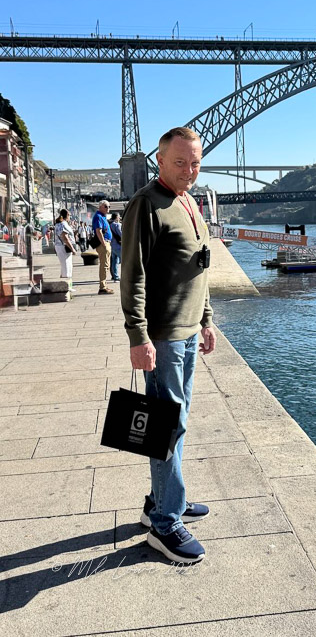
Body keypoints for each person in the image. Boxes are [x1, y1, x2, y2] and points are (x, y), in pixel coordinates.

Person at [121, 126, 216, 565]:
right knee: (165, 426)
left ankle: (160, 502)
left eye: (195, 162)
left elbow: (199, 263)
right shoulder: (146, 203)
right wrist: (138, 336)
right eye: (180, 162)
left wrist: (208, 320)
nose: (189, 170)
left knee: (172, 422)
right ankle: (164, 524)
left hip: (188, 332)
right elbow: (133, 275)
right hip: (162, 336)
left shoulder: (188, 201)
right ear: (160, 160)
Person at [92, 200, 113, 294]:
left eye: (109, 206)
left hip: (107, 243)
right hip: (103, 244)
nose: (108, 208)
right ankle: (102, 287)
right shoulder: (98, 216)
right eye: (106, 206)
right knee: (104, 265)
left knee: (106, 265)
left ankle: (104, 285)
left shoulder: (102, 216)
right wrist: (104, 243)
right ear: (100, 207)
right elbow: (98, 231)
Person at [54, 209, 77, 290]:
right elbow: (65, 238)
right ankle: (66, 287)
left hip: (61, 246)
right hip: (63, 247)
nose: (70, 216)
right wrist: (72, 248)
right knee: (66, 266)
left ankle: (67, 285)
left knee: (66, 266)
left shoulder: (59, 224)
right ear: (67, 215)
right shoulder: (63, 224)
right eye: (69, 215)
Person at [109, 212, 122, 281]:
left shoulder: (110, 225)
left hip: (112, 245)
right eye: (119, 216)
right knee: (123, 261)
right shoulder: (117, 225)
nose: (119, 217)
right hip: (118, 246)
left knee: (114, 261)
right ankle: (125, 275)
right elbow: (121, 234)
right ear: (116, 217)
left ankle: (115, 276)